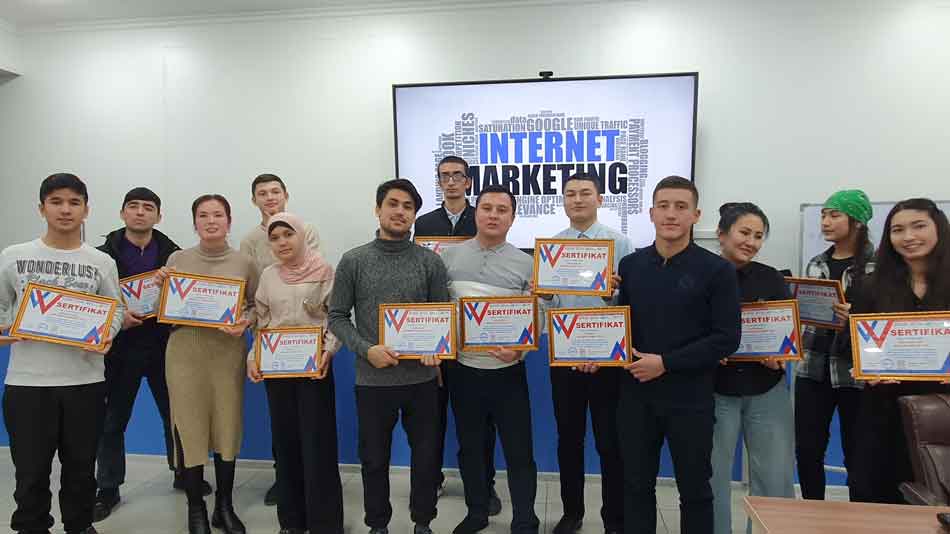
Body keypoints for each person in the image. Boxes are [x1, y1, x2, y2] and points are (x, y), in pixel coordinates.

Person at [615, 176, 741, 534]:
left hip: (690, 398)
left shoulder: (718, 270)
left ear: (696, 215)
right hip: (636, 396)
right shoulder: (631, 266)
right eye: (664, 206)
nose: (671, 214)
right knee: (636, 486)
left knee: (695, 490)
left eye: (681, 207)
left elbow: (726, 338)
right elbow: (621, 328)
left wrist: (665, 363)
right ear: (651, 213)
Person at [0, 173, 124, 534]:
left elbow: (115, 307)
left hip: (85, 380)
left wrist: (107, 334)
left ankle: (80, 525)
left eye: (74, 202)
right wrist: (5, 329)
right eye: (56, 202)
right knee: (30, 472)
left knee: (81, 470)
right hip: (28, 383)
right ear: (42, 208)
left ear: (86, 210)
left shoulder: (101, 261)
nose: (65, 210)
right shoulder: (13, 257)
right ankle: (31, 526)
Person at [328, 179, 447, 534]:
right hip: (373, 380)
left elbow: (441, 316)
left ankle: (423, 521)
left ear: (414, 215)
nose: (400, 211)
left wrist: (436, 349)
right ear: (377, 209)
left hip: (422, 381)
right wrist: (367, 350)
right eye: (393, 203)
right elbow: (337, 316)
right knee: (374, 460)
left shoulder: (430, 262)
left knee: (426, 460)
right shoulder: (354, 260)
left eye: (408, 206)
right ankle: (378, 524)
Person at [93, 187, 213, 522]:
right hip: (120, 349)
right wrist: (118, 317)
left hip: (165, 346)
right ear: (122, 213)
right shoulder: (102, 257)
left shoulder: (176, 255)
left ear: (158, 216)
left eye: (148, 207)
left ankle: (183, 473)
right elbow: (94, 301)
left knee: (176, 416)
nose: (140, 212)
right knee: (112, 420)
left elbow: (190, 298)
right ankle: (108, 487)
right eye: (133, 206)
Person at [836, 198, 950, 503]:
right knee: (876, 497)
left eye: (918, 226)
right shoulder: (868, 287)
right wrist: (865, 367)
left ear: (939, 228)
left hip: (943, 411)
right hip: (883, 410)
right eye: (897, 230)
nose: (908, 236)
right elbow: (849, 344)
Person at [441, 185, 540, 534]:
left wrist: (521, 348)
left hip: (508, 372)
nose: (493, 215)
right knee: (470, 448)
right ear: (476, 212)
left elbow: (538, 313)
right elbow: (437, 309)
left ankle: (525, 519)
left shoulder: (528, 263)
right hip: (463, 370)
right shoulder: (448, 257)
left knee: (519, 450)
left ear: (512, 218)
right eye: (487, 208)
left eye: (502, 210)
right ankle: (477, 512)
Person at [157, 194, 258, 534]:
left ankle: (224, 506)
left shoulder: (245, 262)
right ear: (194, 222)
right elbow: (162, 309)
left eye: (218, 215)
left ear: (229, 221)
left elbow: (257, 306)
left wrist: (245, 321)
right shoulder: (177, 259)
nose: (211, 221)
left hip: (226, 352)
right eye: (203, 215)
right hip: (184, 351)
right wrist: (160, 287)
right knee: (189, 426)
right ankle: (196, 507)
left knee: (227, 425)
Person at [414, 155, 501, 516]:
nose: (450, 181)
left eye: (457, 176)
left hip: (475, 337)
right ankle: (432, 480)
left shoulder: (482, 216)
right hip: (435, 336)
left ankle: (485, 485)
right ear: (439, 182)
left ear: (468, 182)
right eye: (444, 176)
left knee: (481, 422)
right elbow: (418, 275)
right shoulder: (424, 223)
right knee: (431, 418)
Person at [246, 212, 344, 534]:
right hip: (277, 372)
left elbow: (337, 318)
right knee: (285, 444)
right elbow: (263, 323)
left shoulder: (324, 271)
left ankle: (324, 524)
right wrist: (253, 356)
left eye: (288, 234)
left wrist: (328, 351)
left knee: (318, 445)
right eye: (274, 238)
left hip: (315, 371)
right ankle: (291, 522)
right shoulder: (268, 276)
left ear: (302, 236)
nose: (282, 242)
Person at [543, 174, 630, 534]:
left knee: (611, 442)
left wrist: (611, 293)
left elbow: (627, 302)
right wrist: (545, 295)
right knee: (569, 440)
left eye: (585, 193)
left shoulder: (620, 243)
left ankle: (614, 518)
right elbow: (551, 305)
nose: (577, 200)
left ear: (599, 199)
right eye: (570, 194)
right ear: (563, 201)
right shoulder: (552, 247)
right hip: (565, 358)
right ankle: (572, 513)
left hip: (607, 359)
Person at [709, 203, 795, 534]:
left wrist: (780, 353)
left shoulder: (771, 278)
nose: (751, 242)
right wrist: (706, 351)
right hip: (714, 390)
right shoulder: (701, 274)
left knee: (774, 477)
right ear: (721, 234)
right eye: (744, 233)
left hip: (766, 389)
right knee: (711, 477)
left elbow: (786, 332)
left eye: (759, 236)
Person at [239, 173, 319, 507]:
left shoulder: (307, 230)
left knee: (312, 423)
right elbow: (251, 294)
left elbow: (314, 285)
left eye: (275, 191)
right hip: (271, 341)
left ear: (286, 194)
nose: (270, 197)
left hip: (308, 341)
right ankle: (283, 478)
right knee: (281, 419)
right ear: (254, 200)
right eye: (262, 193)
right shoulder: (248, 242)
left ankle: (313, 483)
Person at [795, 189, 875, 500]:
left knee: (858, 450)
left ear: (857, 221)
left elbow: (887, 318)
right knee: (808, 448)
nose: (825, 222)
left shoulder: (878, 266)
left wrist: (856, 316)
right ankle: (812, 511)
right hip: (813, 367)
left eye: (834, 215)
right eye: (823, 215)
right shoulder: (816, 263)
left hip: (855, 371)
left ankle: (858, 515)